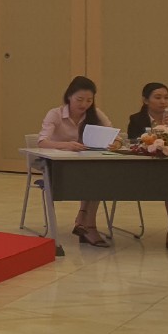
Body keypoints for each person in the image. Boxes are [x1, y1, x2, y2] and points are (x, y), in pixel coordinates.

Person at [38, 75, 113, 247]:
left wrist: (114, 142)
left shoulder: (95, 114)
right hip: (59, 166)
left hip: (87, 165)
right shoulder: (55, 114)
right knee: (95, 178)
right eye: (79, 99)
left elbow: (112, 134)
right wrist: (67, 145)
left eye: (89, 100)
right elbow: (42, 142)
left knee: (98, 177)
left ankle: (85, 221)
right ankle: (88, 225)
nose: (84, 104)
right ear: (69, 96)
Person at [126, 82, 168, 250]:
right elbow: (133, 144)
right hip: (145, 168)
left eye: (166, 97)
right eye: (158, 97)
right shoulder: (136, 119)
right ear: (145, 100)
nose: (163, 101)